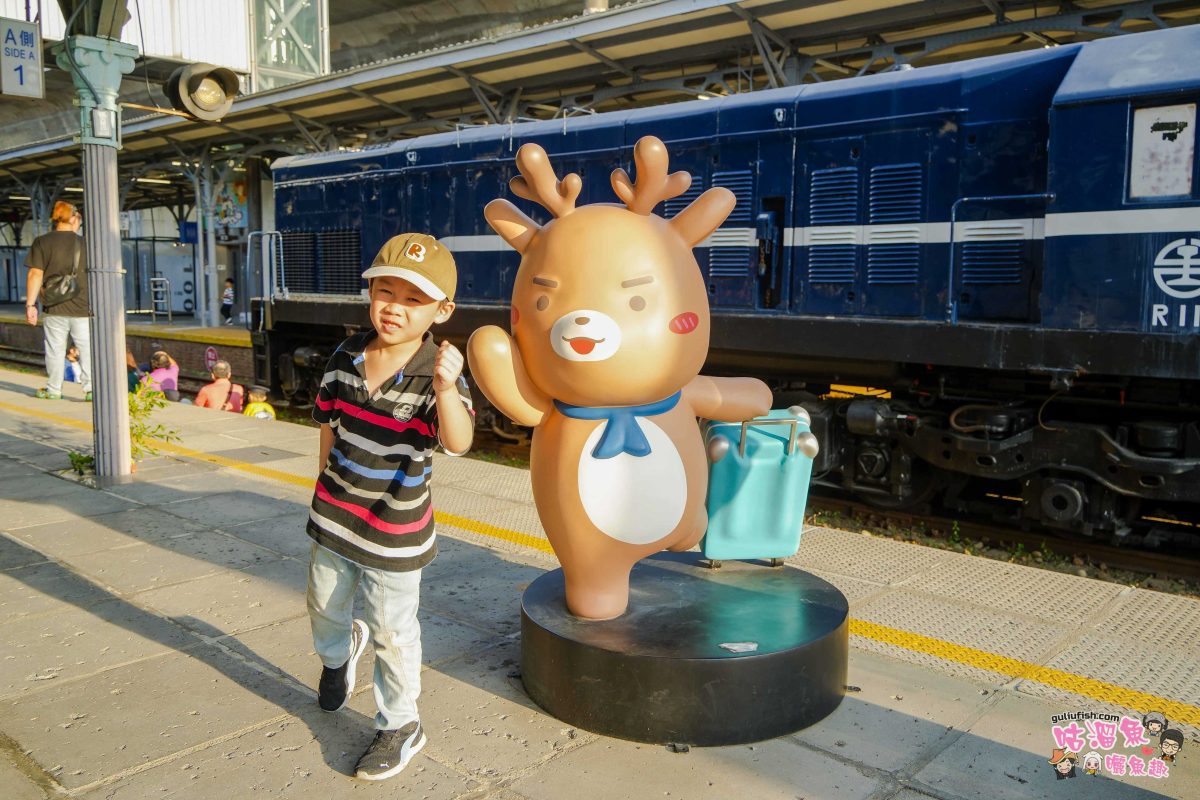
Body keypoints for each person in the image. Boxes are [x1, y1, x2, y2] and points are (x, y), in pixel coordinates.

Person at [306, 233, 473, 781]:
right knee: (324, 605)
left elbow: (458, 442)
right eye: (385, 291)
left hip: (395, 531)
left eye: (413, 299)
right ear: (370, 293)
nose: (394, 307)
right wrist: (324, 483)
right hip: (335, 515)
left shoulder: (435, 373)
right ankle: (337, 656)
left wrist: (448, 389)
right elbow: (329, 425)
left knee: (392, 631)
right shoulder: (346, 355)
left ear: (442, 311)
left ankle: (402, 724)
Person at [24, 200, 92, 400]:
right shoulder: (85, 243)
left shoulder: (42, 242)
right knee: (87, 348)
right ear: (71, 218)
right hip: (83, 306)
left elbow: (35, 275)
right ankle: (90, 389)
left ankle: (54, 390)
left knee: (55, 349)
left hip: (54, 306)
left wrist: (30, 304)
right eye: (78, 218)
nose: (79, 222)